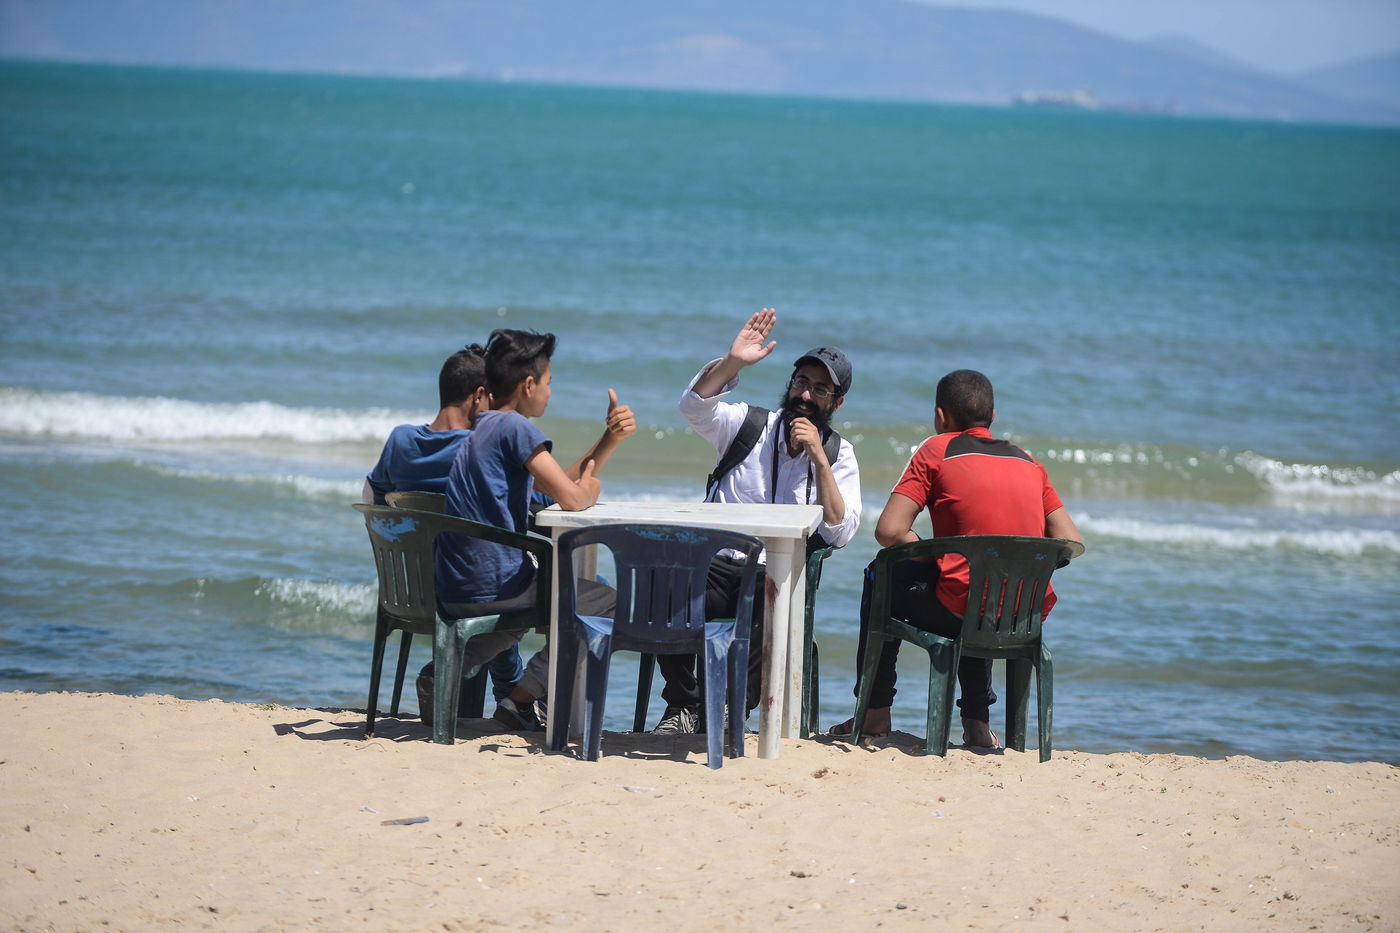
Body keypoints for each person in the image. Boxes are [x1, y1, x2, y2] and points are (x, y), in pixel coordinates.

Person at [828, 368, 1081, 748]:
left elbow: (889, 532)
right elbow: (1069, 540)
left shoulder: (936, 450)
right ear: (992, 417)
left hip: (960, 607)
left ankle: (875, 712)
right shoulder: (1028, 461)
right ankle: (977, 724)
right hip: (1020, 615)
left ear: (940, 416)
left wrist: (941, 559)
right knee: (976, 587)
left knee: (882, 573)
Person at [653, 308, 862, 734]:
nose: (805, 395)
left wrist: (819, 460)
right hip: (714, 562)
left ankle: (730, 709)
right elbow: (693, 407)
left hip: (773, 571)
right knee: (661, 581)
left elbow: (840, 532)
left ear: (836, 403)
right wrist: (732, 363)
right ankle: (685, 704)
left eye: (820, 389)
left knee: (770, 595)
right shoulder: (749, 425)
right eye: (801, 382)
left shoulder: (839, 454)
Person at [433, 327, 637, 731]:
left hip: (458, 583)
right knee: (605, 602)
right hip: (499, 583)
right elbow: (573, 498)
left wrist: (609, 439)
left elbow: (550, 486)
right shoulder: (516, 428)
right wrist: (590, 490)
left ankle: (446, 668)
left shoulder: (482, 428)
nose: (549, 393)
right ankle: (523, 698)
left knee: (533, 609)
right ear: (528, 385)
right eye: (549, 383)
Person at [362, 344, 524, 707]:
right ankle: (513, 698)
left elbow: (373, 499)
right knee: (509, 581)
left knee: (499, 577)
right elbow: (542, 500)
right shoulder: (482, 449)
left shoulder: (400, 441)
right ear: (478, 395)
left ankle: (502, 697)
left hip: (410, 591)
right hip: (470, 588)